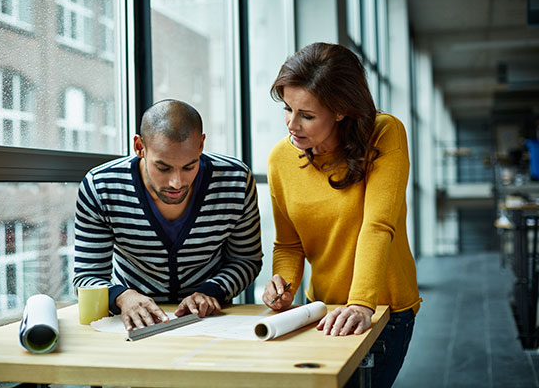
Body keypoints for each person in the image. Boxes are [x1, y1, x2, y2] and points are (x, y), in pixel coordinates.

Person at [261, 42, 422, 387]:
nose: (292, 124)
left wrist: (362, 304)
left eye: (307, 115)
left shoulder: (384, 133)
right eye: (287, 109)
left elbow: (378, 225)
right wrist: (283, 283)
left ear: (340, 111)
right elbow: (288, 244)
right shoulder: (280, 159)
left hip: (381, 310)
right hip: (319, 311)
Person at [74, 99, 263, 331]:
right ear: (139, 147)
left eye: (189, 167)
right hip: (132, 322)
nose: (177, 182)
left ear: (201, 144)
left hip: (210, 321)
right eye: (163, 168)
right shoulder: (101, 186)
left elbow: (246, 260)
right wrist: (123, 297)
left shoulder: (236, 181)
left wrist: (211, 291)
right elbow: (86, 276)